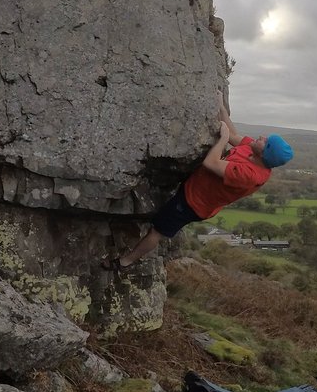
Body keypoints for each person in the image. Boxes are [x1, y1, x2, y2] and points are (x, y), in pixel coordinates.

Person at [102, 104, 293, 272]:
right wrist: (221, 106)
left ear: (265, 154)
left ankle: (125, 262)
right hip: (193, 188)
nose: (262, 137)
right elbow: (233, 135)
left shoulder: (249, 175)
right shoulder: (252, 149)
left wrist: (222, 139)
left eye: (266, 142)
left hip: (193, 204)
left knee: (157, 231)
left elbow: (210, 163)